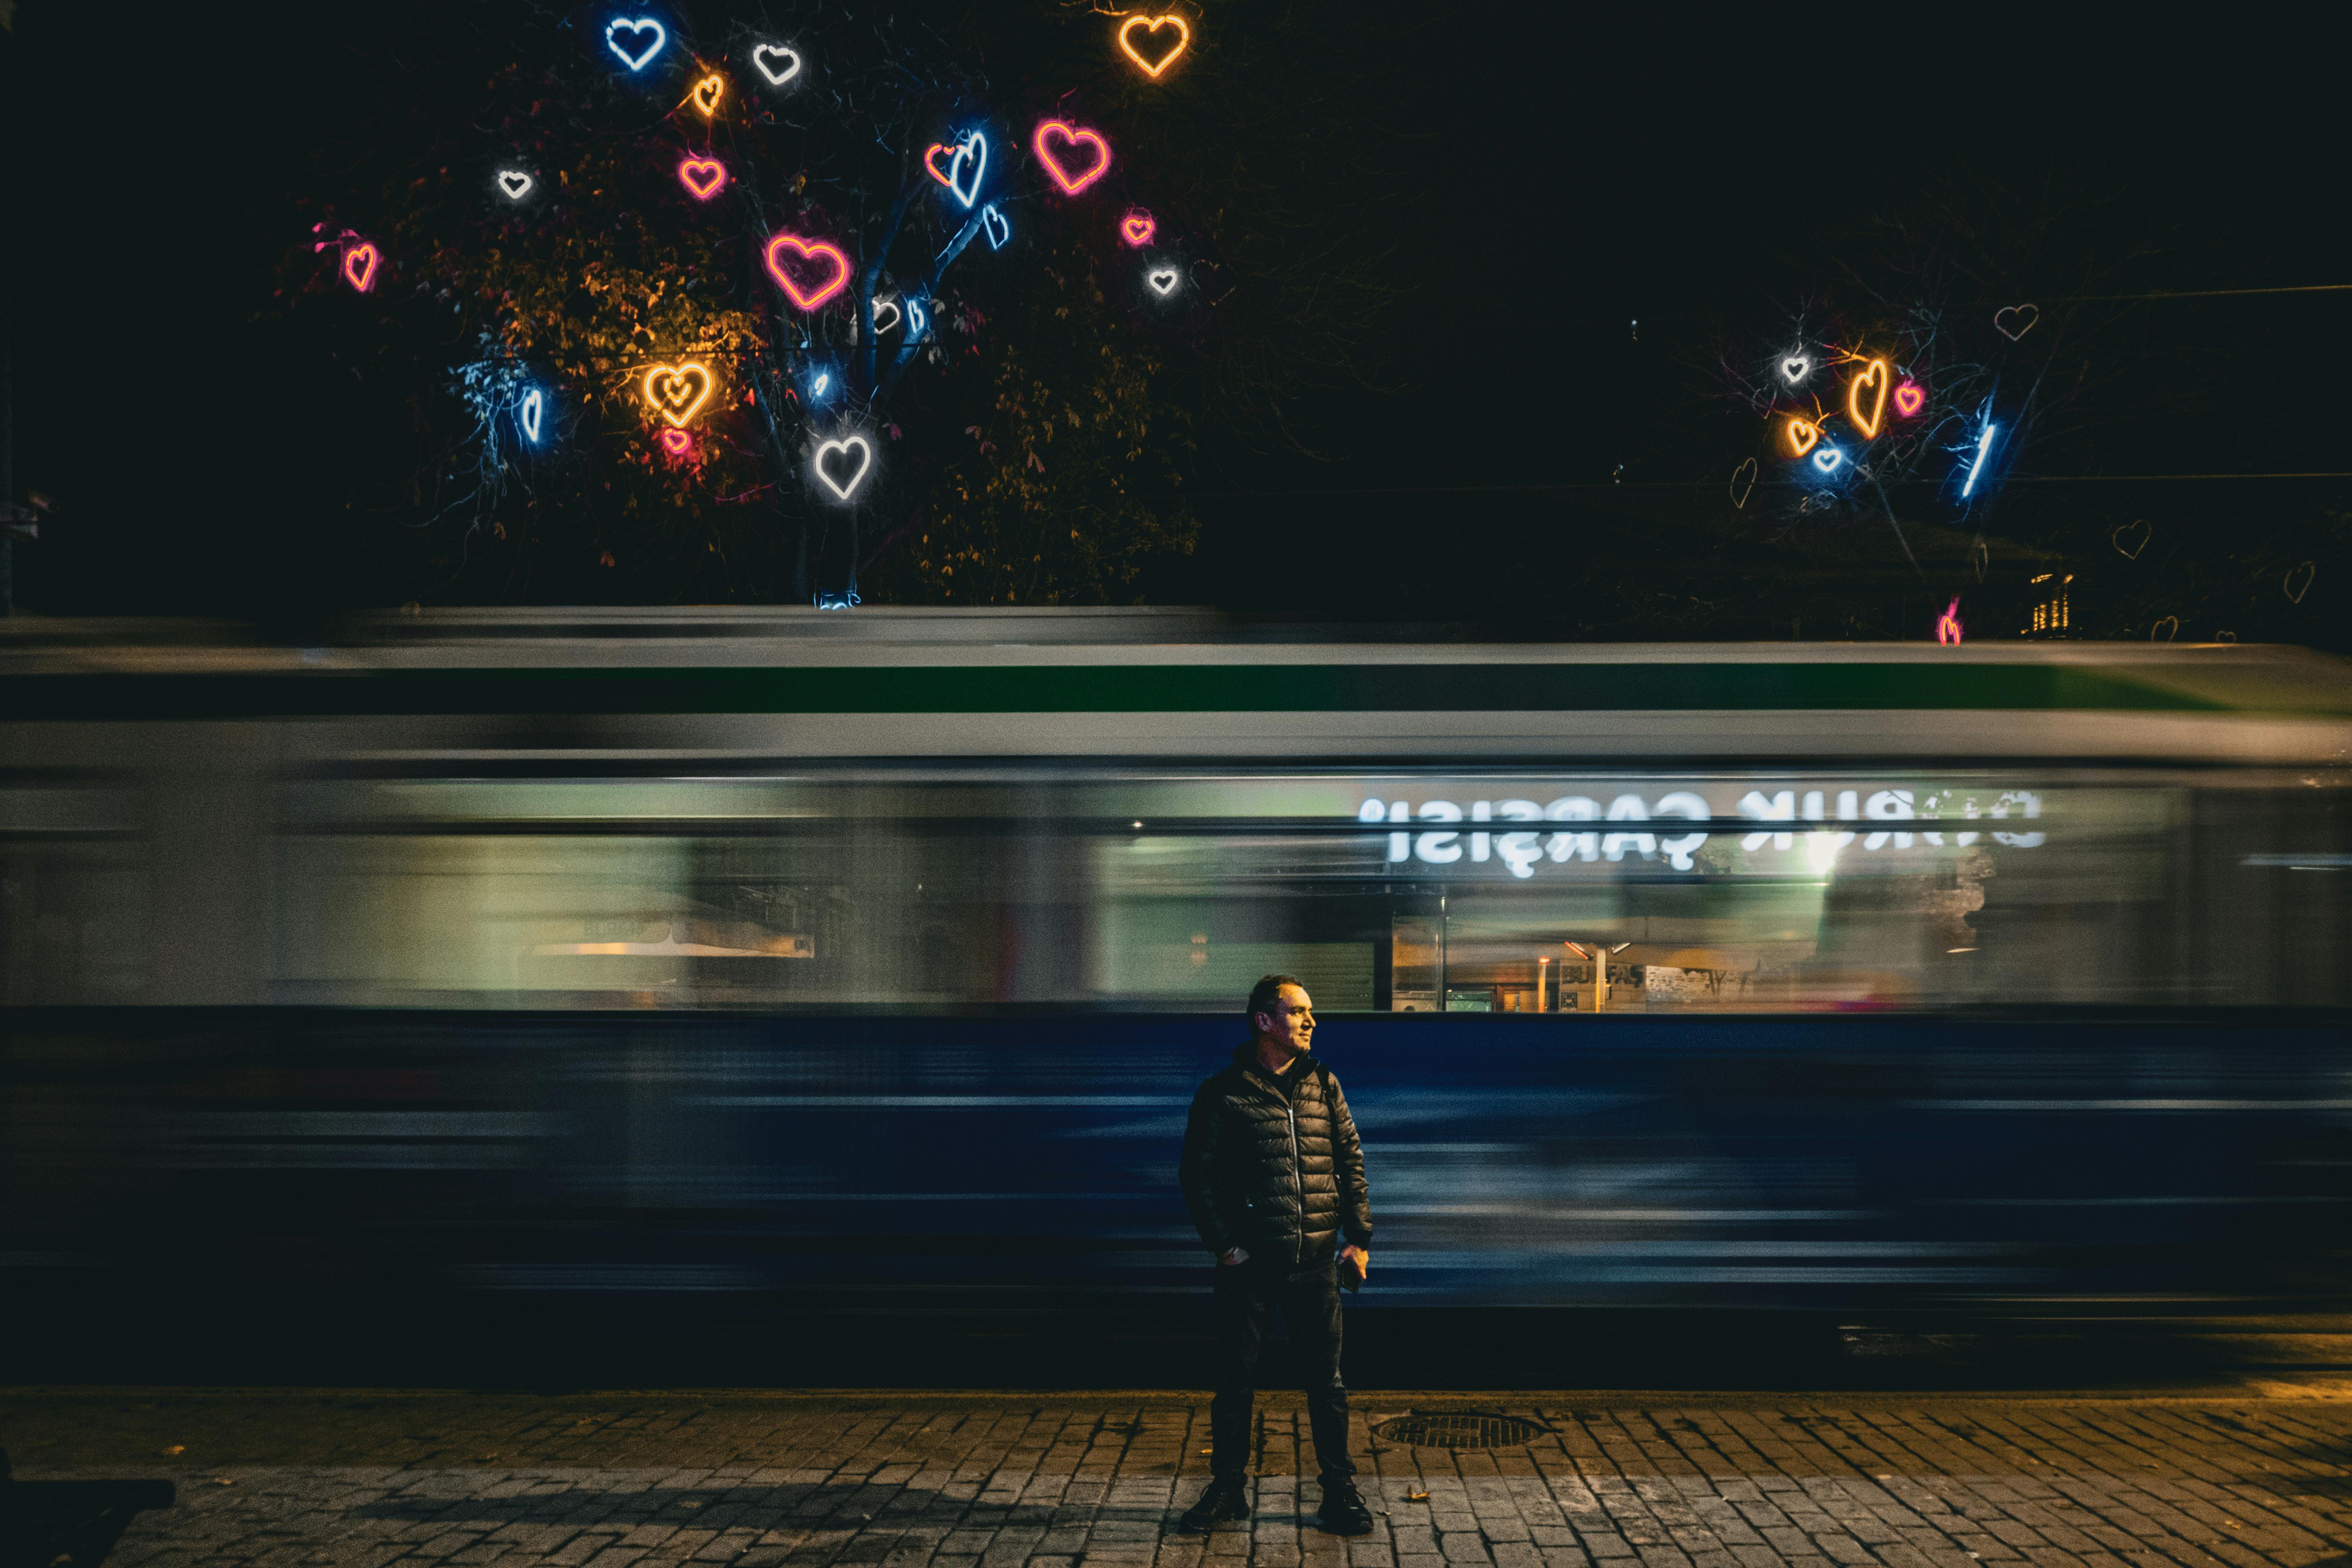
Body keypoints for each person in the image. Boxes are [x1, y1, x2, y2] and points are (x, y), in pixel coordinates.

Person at [1174, 975, 1374, 1536]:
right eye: (1299, 1012)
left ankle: (1339, 1493)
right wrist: (1225, 1246)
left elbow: (1349, 1162)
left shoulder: (1324, 1085)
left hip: (1315, 1264)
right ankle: (1227, 1491)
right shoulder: (1223, 1091)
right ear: (1265, 1022)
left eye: (1311, 1012)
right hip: (1251, 1268)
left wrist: (1358, 1238)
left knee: (1327, 1385)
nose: (1312, 1022)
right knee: (1235, 1385)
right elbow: (1198, 1176)